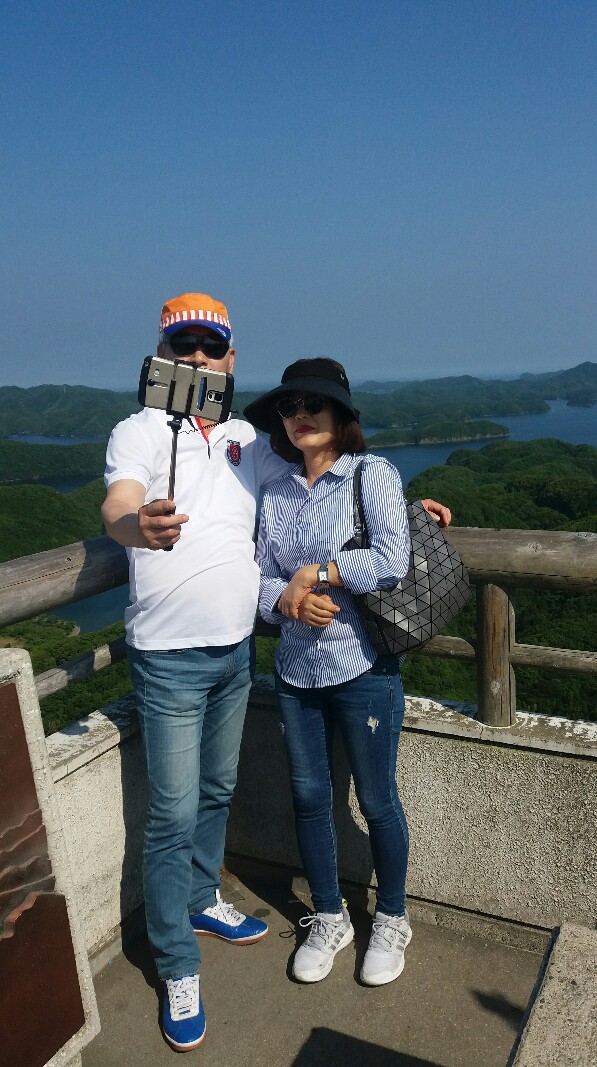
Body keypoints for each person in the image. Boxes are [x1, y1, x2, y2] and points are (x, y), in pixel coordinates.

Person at [103, 297, 449, 1050]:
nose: (197, 358)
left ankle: (353, 913)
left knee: (246, 793)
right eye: (183, 346)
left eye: (211, 347)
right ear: (164, 354)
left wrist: (402, 515)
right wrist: (141, 527)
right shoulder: (144, 432)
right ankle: (203, 955)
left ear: (230, 360)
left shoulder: (247, 443)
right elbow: (126, 506)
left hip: (269, 657)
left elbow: (359, 520)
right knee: (198, 813)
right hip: (209, 659)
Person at [244, 358, 450, 988]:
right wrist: (287, 600)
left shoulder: (371, 473)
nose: (300, 416)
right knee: (309, 798)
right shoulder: (277, 492)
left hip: (363, 667)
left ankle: (391, 917)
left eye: (314, 404)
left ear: (341, 414)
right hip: (296, 671)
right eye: (289, 407)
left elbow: (391, 562)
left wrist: (319, 573)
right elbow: (259, 576)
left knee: (377, 798)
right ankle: (329, 916)